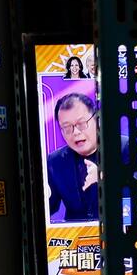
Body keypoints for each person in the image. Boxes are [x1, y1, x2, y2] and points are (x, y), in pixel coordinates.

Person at [46, 93, 99, 222]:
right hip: (74, 236)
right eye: (67, 127)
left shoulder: (124, 148)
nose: (75, 132)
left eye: (81, 123)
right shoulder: (54, 161)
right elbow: (48, 209)